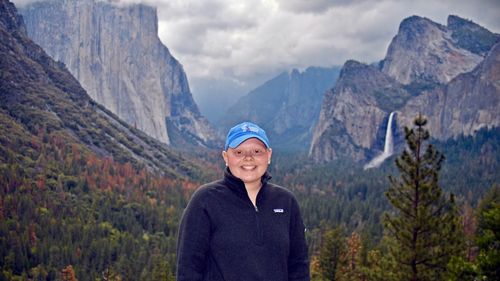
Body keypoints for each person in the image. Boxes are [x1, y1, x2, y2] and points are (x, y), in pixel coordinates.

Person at [176, 121, 310, 281]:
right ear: (226, 157)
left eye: (257, 151)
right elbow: (188, 269)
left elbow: (298, 266)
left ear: (269, 155)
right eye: (238, 152)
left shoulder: (286, 202)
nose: (248, 158)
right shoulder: (205, 200)